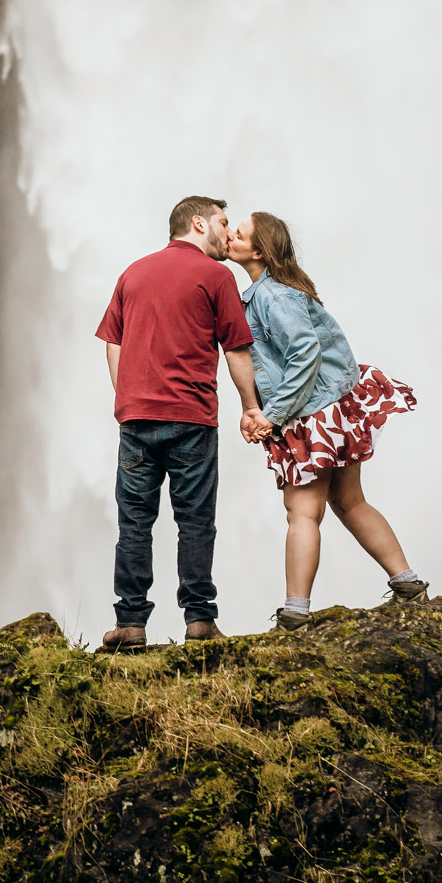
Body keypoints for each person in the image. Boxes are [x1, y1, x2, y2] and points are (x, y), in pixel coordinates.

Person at [227, 211, 427, 629]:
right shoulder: (276, 291)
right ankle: (408, 584)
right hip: (332, 404)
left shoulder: (271, 296)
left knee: (302, 510)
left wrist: (273, 414)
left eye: (238, 233)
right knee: (349, 502)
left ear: (259, 250)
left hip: (311, 413)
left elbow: (304, 350)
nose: (228, 236)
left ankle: (295, 613)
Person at [95, 195, 264, 650]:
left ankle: (130, 623)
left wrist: (125, 394)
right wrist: (250, 406)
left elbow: (113, 341)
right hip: (191, 417)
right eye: (223, 223)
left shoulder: (133, 272)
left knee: (134, 522)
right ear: (197, 223)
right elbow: (235, 349)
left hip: (136, 418)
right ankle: (199, 621)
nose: (229, 234)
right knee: (195, 522)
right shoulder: (216, 275)